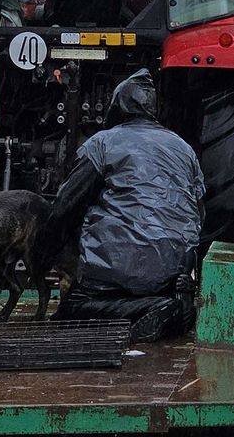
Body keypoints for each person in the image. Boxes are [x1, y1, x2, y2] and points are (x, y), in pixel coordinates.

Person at [39, 70, 204, 342]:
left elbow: (66, 206)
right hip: (170, 276)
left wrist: (44, 253)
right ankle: (172, 308)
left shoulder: (103, 143)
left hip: (114, 273)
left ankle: (154, 308)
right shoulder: (184, 149)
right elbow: (198, 214)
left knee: (72, 310)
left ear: (118, 105)